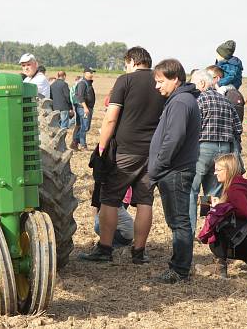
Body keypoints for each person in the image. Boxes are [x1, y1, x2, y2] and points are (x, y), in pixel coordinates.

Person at [79, 47, 165, 264]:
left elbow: (110, 119)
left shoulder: (125, 81)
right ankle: (139, 253)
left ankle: (105, 249)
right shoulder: (160, 81)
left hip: (125, 151)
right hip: (151, 151)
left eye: (126, 64)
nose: (125, 68)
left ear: (133, 62)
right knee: (145, 201)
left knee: (109, 198)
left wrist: (100, 147)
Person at [149, 58, 201, 284]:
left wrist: (159, 165)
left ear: (175, 79)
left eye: (161, 81)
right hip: (174, 170)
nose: (157, 86)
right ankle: (179, 267)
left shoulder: (180, 102)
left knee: (179, 221)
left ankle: (179, 271)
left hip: (175, 171)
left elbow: (174, 138)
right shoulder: (181, 99)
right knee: (177, 220)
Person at [188, 69, 243, 234]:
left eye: (193, 83)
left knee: (192, 190)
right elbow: (238, 128)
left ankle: (189, 231)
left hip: (203, 148)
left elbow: (191, 126)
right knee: (213, 193)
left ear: (203, 83)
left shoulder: (198, 99)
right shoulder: (225, 100)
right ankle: (210, 228)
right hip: (224, 150)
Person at [70, 67, 96, 150]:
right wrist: (85, 107)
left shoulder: (88, 83)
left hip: (87, 108)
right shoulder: (82, 83)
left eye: (92, 72)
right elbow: (80, 97)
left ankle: (75, 143)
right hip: (83, 108)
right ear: (85, 73)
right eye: (90, 72)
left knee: (85, 127)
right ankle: (83, 145)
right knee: (84, 126)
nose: (92, 74)